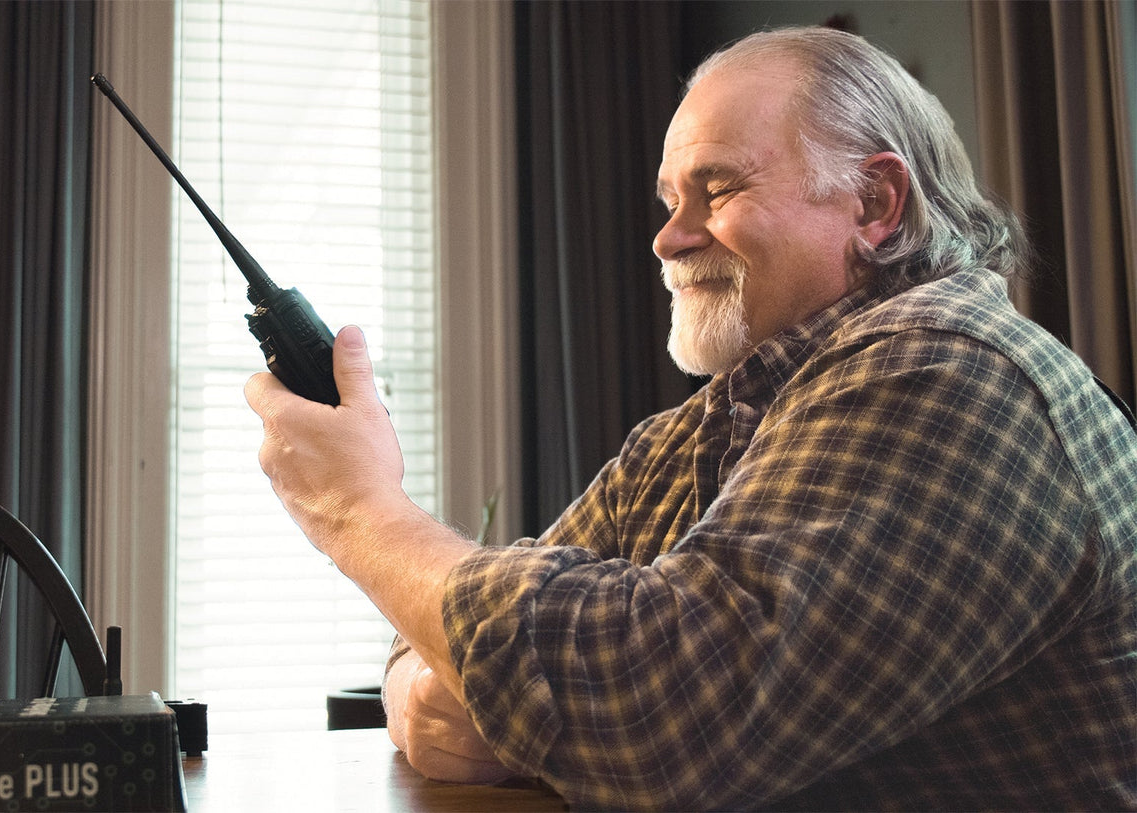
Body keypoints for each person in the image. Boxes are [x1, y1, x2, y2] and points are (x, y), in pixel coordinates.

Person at [244, 26, 1137, 811]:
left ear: (873, 204)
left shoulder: (950, 377)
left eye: (715, 190)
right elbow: (449, 615)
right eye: (669, 200)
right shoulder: (710, 423)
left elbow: (655, 721)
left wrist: (360, 513)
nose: (669, 237)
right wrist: (429, 675)